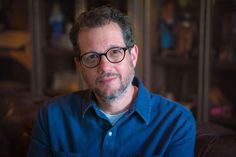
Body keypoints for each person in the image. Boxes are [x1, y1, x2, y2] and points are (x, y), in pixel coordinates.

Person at [27, 5, 196, 157]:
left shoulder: (177, 122)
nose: (105, 66)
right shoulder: (51, 116)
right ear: (79, 65)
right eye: (92, 57)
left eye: (115, 52)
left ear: (133, 56)